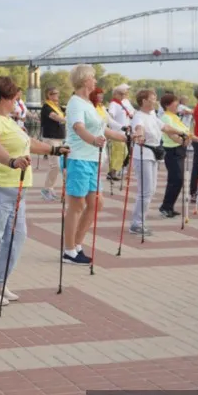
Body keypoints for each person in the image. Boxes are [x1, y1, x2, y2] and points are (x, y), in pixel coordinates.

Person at [0, 76, 69, 305]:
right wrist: (11, 161)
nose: (18, 99)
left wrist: (55, 149)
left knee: (16, 237)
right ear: (4, 97)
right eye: (15, 96)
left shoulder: (8, 120)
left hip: (16, 190)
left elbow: (29, 144)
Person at [62, 65, 131, 265]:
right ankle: (69, 250)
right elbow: (78, 128)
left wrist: (125, 137)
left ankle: (76, 244)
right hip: (78, 158)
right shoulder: (75, 103)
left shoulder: (88, 103)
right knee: (77, 205)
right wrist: (93, 140)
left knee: (96, 204)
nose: (95, 82)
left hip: (93, 160)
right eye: (93, 78)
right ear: (85, 81)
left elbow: (103, 130)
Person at [128, 89, 186, 236]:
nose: (155, 100)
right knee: (145, 190)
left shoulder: (152, 114)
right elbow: (138, 127)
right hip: (143, 155)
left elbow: (164, 127)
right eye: (153, 98)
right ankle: (136, 223)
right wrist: (139, 135)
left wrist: (181, 132)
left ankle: (140, 221)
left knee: (151, 190)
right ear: (144, 101)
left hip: (154, 154)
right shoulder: (139, 116)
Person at [158, 93, 194, 218]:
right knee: (176, 180)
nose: (177, 104)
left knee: (177, 180)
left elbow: (186, 132)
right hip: (172, 151)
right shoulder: (166, 118)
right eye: (175, 102)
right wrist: (183, 141)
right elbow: (171, 134)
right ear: (168, 105)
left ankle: (169, 206)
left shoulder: (175, 116)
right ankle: (165, 207)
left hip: (180, 151)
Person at [38, 86, 66, 202]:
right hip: (51, 138)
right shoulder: (46, 107)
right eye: (53, 93)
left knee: (57, 165)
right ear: (48, 95)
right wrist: (67, 120)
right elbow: (54, 117)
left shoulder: (58, 106)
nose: (56, 95)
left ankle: (50, 188)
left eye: (57, 93)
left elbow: (62, 114)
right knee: (55, 165)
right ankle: (46, 189)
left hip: (59, 138)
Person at [106, 84, 133, 181]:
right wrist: (114, 128)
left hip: (124, 132)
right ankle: (112, 171)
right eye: (121, 94)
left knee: (120, 153)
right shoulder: (114, 104)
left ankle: (112, 172)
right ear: (115, 94)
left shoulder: (121, 103)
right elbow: (110, 117)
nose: (124, 96)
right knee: (121, 152)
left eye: (125, 94)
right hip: (116, 133)